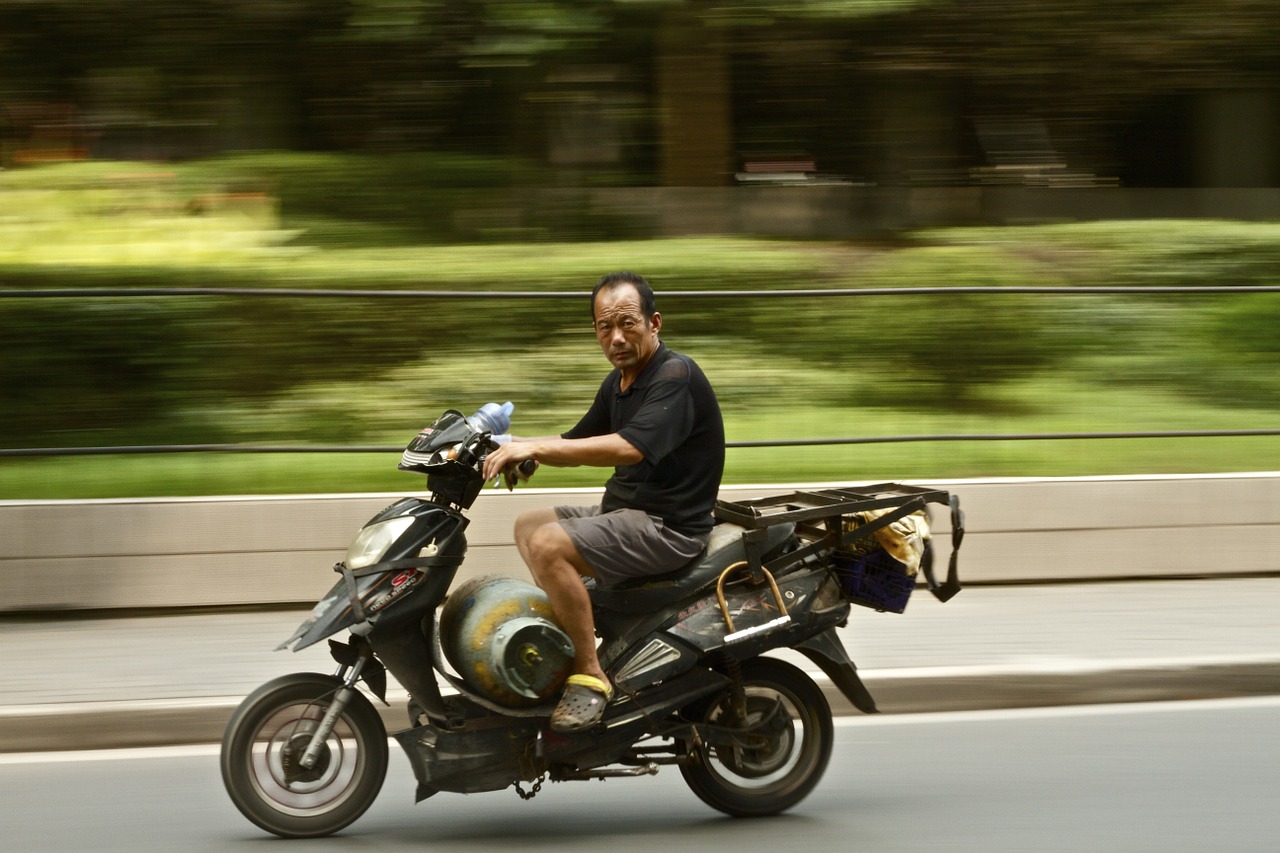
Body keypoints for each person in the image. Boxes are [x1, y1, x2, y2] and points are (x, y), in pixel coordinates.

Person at [481, 271, 725, 733]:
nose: (615, 337)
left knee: (550, 545)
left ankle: (590, 674)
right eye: (603, 327)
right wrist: (518, 451)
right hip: (627, 514)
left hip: (668, 527)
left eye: (627, 323)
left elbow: (626, 447)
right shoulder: (618, 383)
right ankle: (581, 623)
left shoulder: (675, 377)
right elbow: (577, 442)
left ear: (654, 323)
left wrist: (533, 448)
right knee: (527, 525)